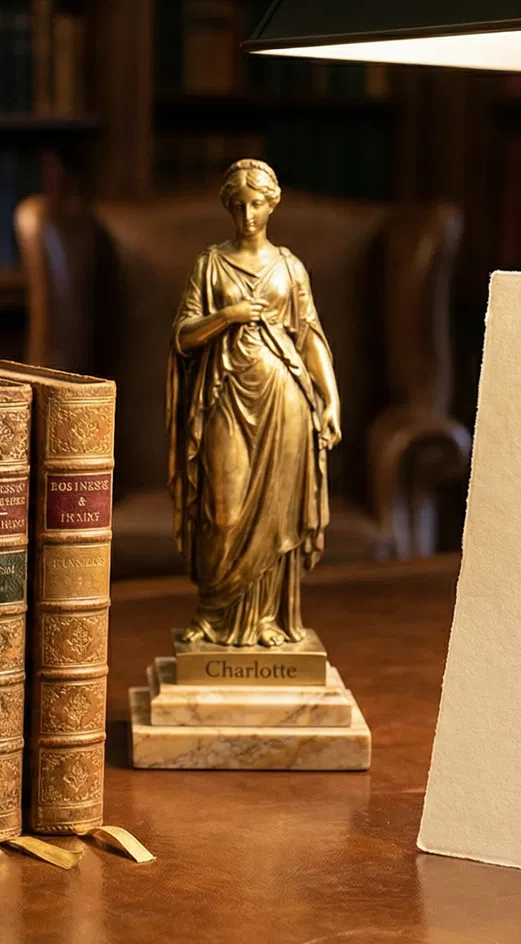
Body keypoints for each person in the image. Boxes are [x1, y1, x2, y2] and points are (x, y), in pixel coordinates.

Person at [168, 159, 341, 648]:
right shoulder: (209, 265)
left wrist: (330, 400)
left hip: (285, 401)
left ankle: (266, 621)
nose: (248, 215)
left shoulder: (290, 267)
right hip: (225, 399)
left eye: (257, 205)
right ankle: (215, 615)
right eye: (239, 206)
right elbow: (183, 337)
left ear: (272, 205)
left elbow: (310, 339)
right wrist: (227, 315)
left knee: (276, 515)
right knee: (224, 513)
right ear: (228, 207)